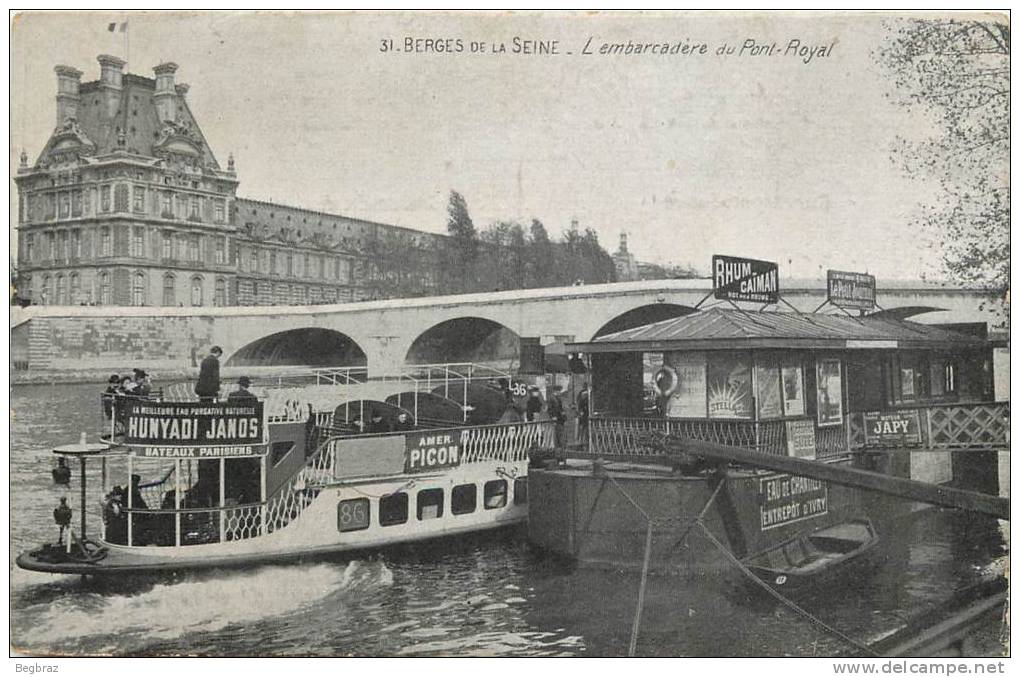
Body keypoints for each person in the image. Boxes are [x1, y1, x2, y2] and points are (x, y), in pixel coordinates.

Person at [547, 385, 566, 455]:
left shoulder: (558, 398)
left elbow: (560, 409)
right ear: (556, 391)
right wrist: (552, 417)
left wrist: (563, 414)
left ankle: (560, 451)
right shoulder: (552, 398)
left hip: (560, 419)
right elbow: (550, 409)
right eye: (559, 391)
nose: (560, 392)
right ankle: (558, 452)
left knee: (560, 435)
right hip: (556, 419)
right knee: (557, 436)